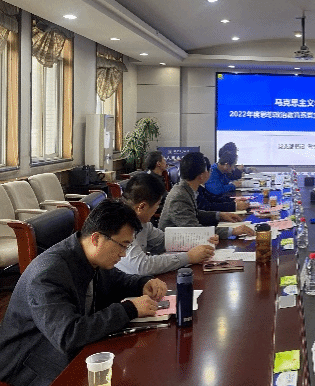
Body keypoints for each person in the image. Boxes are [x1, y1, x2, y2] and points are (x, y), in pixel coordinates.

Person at [0, 199, 167, 386]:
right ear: (96, 238)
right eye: (122, 245)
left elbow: (117, 280)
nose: (123, 254)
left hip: (65, 351)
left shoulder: (88, 254)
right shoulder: (47, 274)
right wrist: (129, 309)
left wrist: (143, 283)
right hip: (30, 365)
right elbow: (69, 335)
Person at [116, 173, 218, 275]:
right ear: (142, 207)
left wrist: (204, 240)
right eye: (157, 205)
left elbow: (164, 241)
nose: (157, 209)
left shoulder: (141, 222)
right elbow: (143, 266)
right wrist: (189, 257)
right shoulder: (121, 226)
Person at [159, 152, 254, 239]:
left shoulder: (187, 188)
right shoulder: (180, 196)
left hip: (184, 238)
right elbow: (194, 230)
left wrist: (220, 215)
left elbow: (194, 213)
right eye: (208, 171)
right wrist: (232, 231)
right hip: (173, 243)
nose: (210, 173)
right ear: (201, 176)